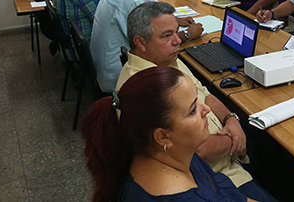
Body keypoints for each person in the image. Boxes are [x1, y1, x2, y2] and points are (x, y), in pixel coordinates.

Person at [115, 2, 275, 201]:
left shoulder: (167, 60)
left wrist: (231, 119)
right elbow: (200, 151)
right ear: (140, 42)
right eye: (166, 35)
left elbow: (205, 93)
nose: (177, 41)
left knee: (266, 141)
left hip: (221, 158)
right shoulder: (144, 90)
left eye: (176, 32)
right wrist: (234, 139)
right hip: (216, 172)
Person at [82, 66, 249, 201]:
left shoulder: (174, 153)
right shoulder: (181, 194)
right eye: (192, 110)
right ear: (162, 136)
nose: (206, 109)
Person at [90, 0, 203, 92]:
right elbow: (151, 45)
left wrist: (174, 20)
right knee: (190, 74)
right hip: (118, 77)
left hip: (104, 67)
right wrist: (188, 34)